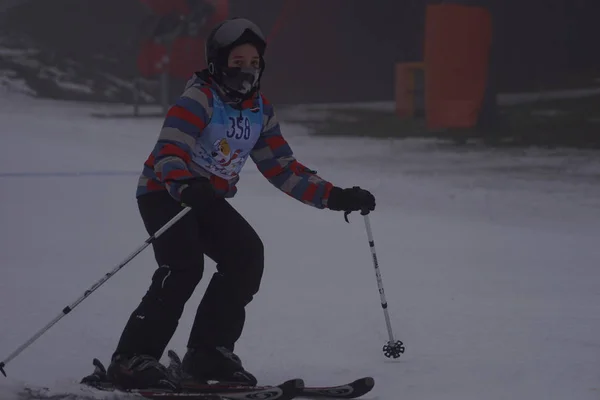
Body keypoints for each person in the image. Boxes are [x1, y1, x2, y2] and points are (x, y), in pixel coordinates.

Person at [105, 17, 376, 390]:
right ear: (218, 62)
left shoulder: (259, 111)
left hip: (207, 198)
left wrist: (335, 196)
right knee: (183, 267)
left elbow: (281, 168)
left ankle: (208, 353)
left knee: (245, 255)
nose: (247, 71)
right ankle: (132, 359)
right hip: (165, 193)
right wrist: (183, 184)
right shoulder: (198, 98)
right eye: (237, 63)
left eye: (254, 63)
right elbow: (168, 150)